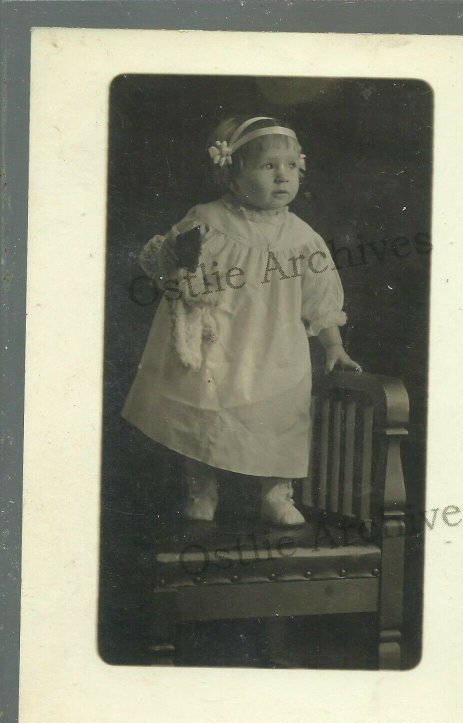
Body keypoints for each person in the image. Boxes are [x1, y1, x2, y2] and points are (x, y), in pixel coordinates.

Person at [122, 115, 362, 527]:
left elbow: (319, 300)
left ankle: (276, 492)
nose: (282, 176)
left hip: (275, 349)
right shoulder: (209, 220)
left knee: (282, 415)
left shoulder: (304, 238)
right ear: (232, 175)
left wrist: (334, 346)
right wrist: (181, 269)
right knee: (205, 408)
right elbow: (171, 268)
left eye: (290, 166)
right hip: (223, 340)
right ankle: (202, 486)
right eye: (267, 166)